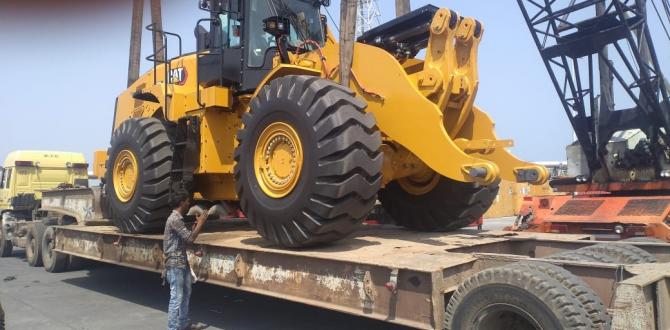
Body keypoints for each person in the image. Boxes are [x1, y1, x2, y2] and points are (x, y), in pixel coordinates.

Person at [164, 191, 209, 330]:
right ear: (182, 202)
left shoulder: (178, 219)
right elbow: (190, 239)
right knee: (177, 297)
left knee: (185, 293)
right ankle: (172, 328)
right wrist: (201, 223)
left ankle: (183, 323)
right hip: (176, 263)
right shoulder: (174, 219)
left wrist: (195, 227)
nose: (189, 204)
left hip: (181, 262)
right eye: (187, 201)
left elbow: (185, 238)